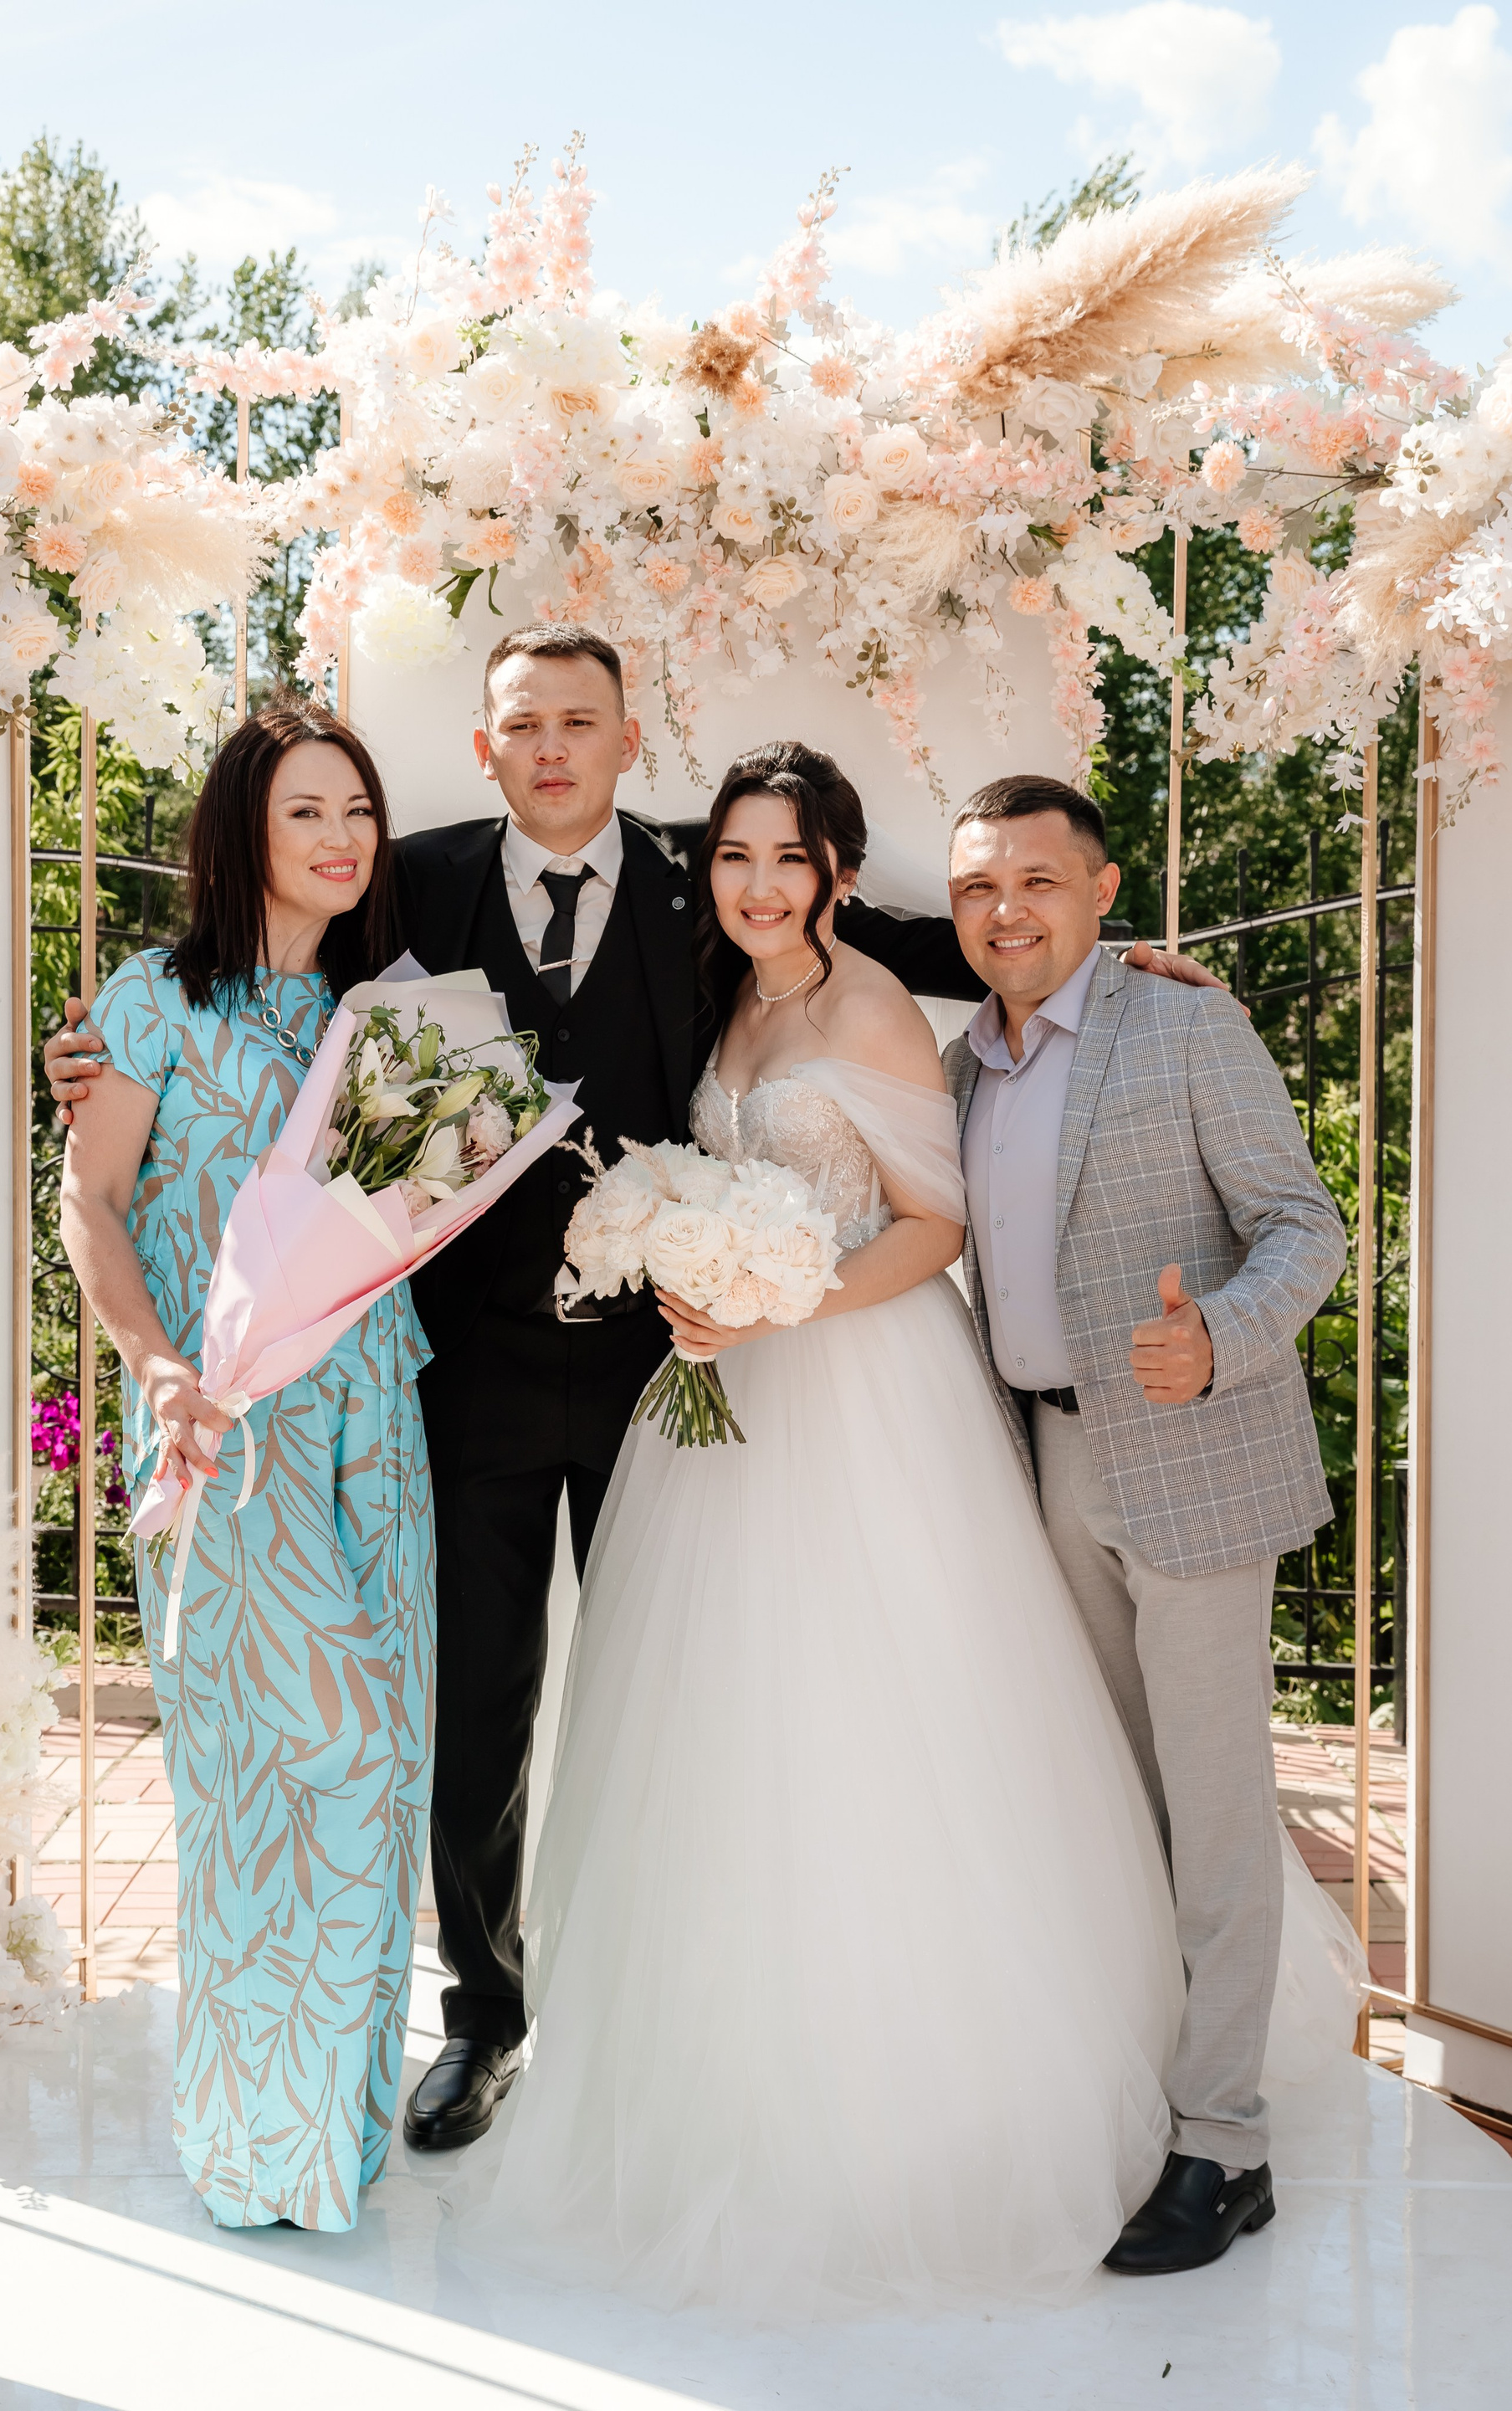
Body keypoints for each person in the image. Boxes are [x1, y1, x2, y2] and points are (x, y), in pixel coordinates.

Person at [44, 626, 1224, 2157]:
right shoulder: (410, 875)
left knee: (677, 1699)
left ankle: (652, 2022)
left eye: (581, 721)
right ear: (484, 745)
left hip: (666, 1371)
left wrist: (1089, 956)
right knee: (472, 1715)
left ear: (626, 738)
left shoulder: (701, 871)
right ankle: (484, 2013)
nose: (553, 746)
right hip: (453, 1372)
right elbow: (250, 947)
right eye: (523, 723)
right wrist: (96, 1043)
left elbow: (873, 926)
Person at [421, 741, 1346, 2319]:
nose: (761, 883)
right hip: (763, 1411)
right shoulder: (775, 1010)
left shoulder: (900, 1013)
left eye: (792, 857)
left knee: (1016, 1756)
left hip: (892, 1396)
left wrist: (782, 1297)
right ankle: (743, 2081)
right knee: (752, 1752)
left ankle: (1202, 2123)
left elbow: (938, 1222)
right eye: (736, 857)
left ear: (839, 873)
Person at [941, 773, 1350, 2276]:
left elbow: (1305, 1224)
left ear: (1104, 892)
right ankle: (1154, 2088)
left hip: (1194, 1455)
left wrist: (1220, 1336)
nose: (1007, 911)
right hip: (1047, 1464)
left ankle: (1225, 2145)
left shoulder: (1185, 1024)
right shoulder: (962, 1063)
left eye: (1038, 881)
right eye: (979, 886)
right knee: (1120, 1803)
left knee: (1218, 1810)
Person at [58, 697, 435, 2231]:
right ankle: (250, 2140)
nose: (342, 837)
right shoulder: (150, 1001)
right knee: (273, 1771)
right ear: (242, 829)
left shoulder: (383, 1015)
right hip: (227, 1430)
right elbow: (89, 1201)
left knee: (383, 1771)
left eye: (358, 810)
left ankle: (330, 2139)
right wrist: (155, 1362)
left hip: (378, 1424)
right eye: (305, 810)